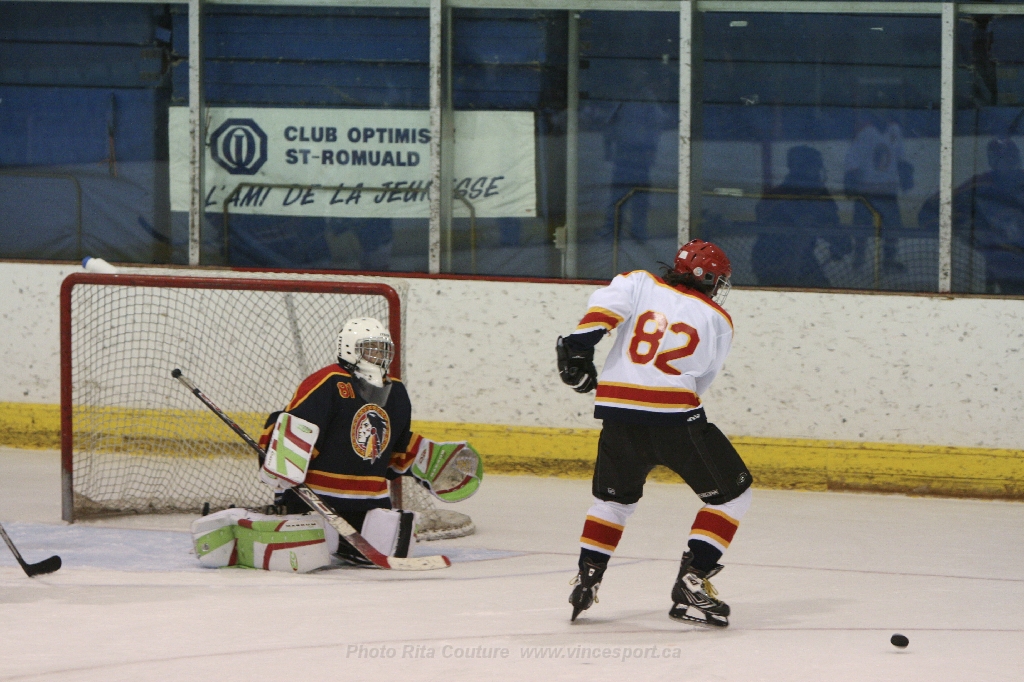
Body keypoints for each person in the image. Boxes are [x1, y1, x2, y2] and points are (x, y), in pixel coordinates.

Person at [556, 240, 753, 627]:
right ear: (709, 280)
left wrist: (578, 349)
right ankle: (692, 579)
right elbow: (702, 380)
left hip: (618, 415)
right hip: (675, 420)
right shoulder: (718, 319)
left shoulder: (639, 282)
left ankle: (587, 576)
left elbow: (603, 311)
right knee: (733, 496)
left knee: (612, 502)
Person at [257, 317, 481, 565]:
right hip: (318, 500)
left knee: (399, 539)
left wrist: (424, 457)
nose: (379, 355)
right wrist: (282, 468)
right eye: (371, 348)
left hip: (370, 502)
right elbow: (293, 426)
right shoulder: (329, 381)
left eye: (383, 349)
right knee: (302, 556)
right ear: (349, 348)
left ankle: (346, 544)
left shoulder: (396, 392)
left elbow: (393, 447)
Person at [919, 136, 1024, 294]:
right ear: (992, 161)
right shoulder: (979, 185)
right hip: (999, 265)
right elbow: (929, 210)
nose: (1008, 163)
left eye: (1011, 157)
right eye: (1002, 158)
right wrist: (961, 226)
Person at [753, 145, 848, 287]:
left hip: (791, 258)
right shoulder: (813, 196)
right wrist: (840, 242)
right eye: (814, 167)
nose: (817, 171)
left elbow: (831, 226)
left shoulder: (778, 194)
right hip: (777, 260)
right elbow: (828, 226)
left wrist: (840, 242)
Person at [843, 112, 914, 274]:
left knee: (887, 228)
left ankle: (881, 261)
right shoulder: (871, 132)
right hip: (873, 191)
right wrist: (851, 181)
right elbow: (852, 162)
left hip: (879, 191)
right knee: (868, 228)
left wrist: (905, 173)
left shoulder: (889, 130)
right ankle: (863, 260)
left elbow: (900, 156)